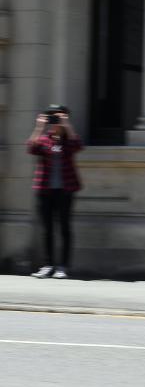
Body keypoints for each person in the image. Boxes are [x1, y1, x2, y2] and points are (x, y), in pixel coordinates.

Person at [27, 105, 83, 279]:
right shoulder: (45, 139)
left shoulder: (69, 140)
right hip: (45, 190)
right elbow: (31, 148)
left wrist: (67, 125)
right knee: (47, 229)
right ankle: (48, 265)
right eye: (52, 118)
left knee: (64, 228)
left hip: (65, 190)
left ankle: (63, 266)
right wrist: (39, 126)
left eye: (57, 117)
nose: (54, 121)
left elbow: (77, 146)